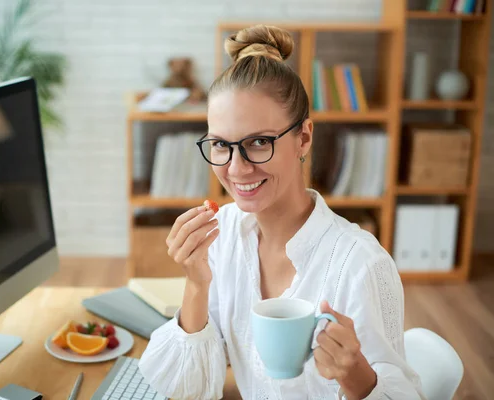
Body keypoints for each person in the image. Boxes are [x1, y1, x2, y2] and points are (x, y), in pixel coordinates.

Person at [139, 24, 425, 400]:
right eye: (221, 145)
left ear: (303, 137)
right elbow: (181, 389)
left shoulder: (360, 264)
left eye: (259, 142)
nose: (237, 169)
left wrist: (357, 378)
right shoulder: (223, 234)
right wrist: (196, 283)